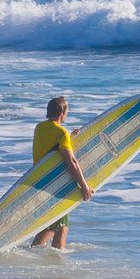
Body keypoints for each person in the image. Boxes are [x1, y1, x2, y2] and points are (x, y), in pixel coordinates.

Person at [31, 95, 92, 249]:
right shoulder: (61, 133)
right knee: (60, 228)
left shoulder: (39, 128)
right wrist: (84, 186)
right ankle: (57, 265)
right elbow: (71, 161)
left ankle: (33, 254)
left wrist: (69, 139)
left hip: (40, 181)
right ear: (62, 113)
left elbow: (50, 150)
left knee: (51, 226)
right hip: (56, 184)